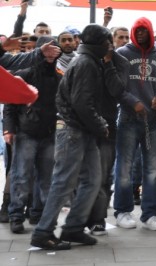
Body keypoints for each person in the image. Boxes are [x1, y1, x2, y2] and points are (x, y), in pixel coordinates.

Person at [30, 24, 112, 251]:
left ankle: (73, 228)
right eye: (107, 41)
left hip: (81, 130)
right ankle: (43, 232)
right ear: (97, 44)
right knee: (64, 181)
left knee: (92, 179)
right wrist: (100, 125)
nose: (109, 45)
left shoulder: (87, 61)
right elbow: (82, 103)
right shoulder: (86, 63)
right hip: (74, 129)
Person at [3, 36, 62, 233]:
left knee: (46, 178)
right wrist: (9, 129)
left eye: (55, 50)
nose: (51, 54)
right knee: (22, 176)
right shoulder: (25, 73)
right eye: (48, 50)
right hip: (26, 131)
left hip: (49, 132)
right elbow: (10, 105)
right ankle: (16, 215)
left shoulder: (59, 77)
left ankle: (39, 214)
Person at [114, 17, 156, 231]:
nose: (141, 34)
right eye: (138, 31)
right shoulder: (122, 54)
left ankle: (150, 213)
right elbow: (117, 87)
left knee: (153, 168)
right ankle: (123, 211)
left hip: (152, 121)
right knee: (125, 167)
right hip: (127, 118)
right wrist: (133, 102)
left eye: (145, 31)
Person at [86, 33, 130, 236]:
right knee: (85, 175)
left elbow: (117, 90)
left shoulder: (120, 61)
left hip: (107, 126)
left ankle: (98, 219)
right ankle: (82, 217)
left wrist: (109, 64)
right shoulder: (87, 60)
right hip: (85, 124)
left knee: (104, 175)